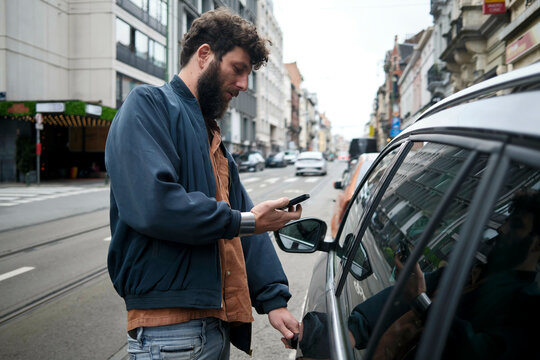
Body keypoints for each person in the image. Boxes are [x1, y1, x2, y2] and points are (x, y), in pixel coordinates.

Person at [105, 8, 301, 359]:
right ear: (205, 55)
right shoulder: (148, 105)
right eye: (238, 70)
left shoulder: (212, 136)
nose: (243, 85)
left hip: (214, 325)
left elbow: (242, 220)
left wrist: (274, 300)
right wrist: (248, 221)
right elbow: (155, 204)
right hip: (170, 330)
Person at [347, 189, 540, 359]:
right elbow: (406, 295)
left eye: (515, 225)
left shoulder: (527, 307)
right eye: (506, 221)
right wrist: (355, 329)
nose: (501, 229)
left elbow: (476, 351)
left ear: (537, 245)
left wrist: (421, 303)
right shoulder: (469, 272)